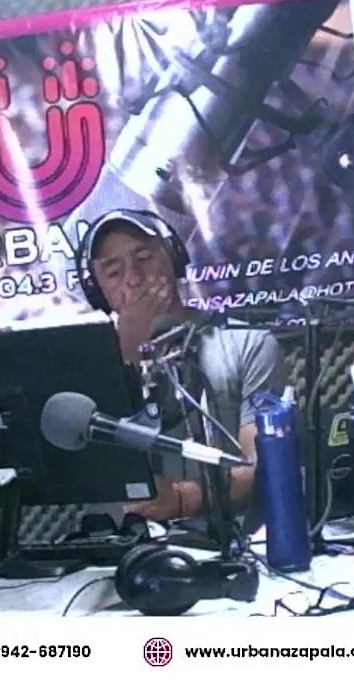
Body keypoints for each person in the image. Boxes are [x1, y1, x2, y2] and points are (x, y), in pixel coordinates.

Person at [76, 208, 288, 521]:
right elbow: (94, 470)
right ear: (98, 291)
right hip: (123, 543)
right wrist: (128, 356)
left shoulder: (248, 345)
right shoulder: (84, 368)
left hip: (229, 540)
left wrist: (183, 499)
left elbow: (266, 467)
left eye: (144, 258)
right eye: (114, 271)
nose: (134, 278)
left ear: (173, 260)